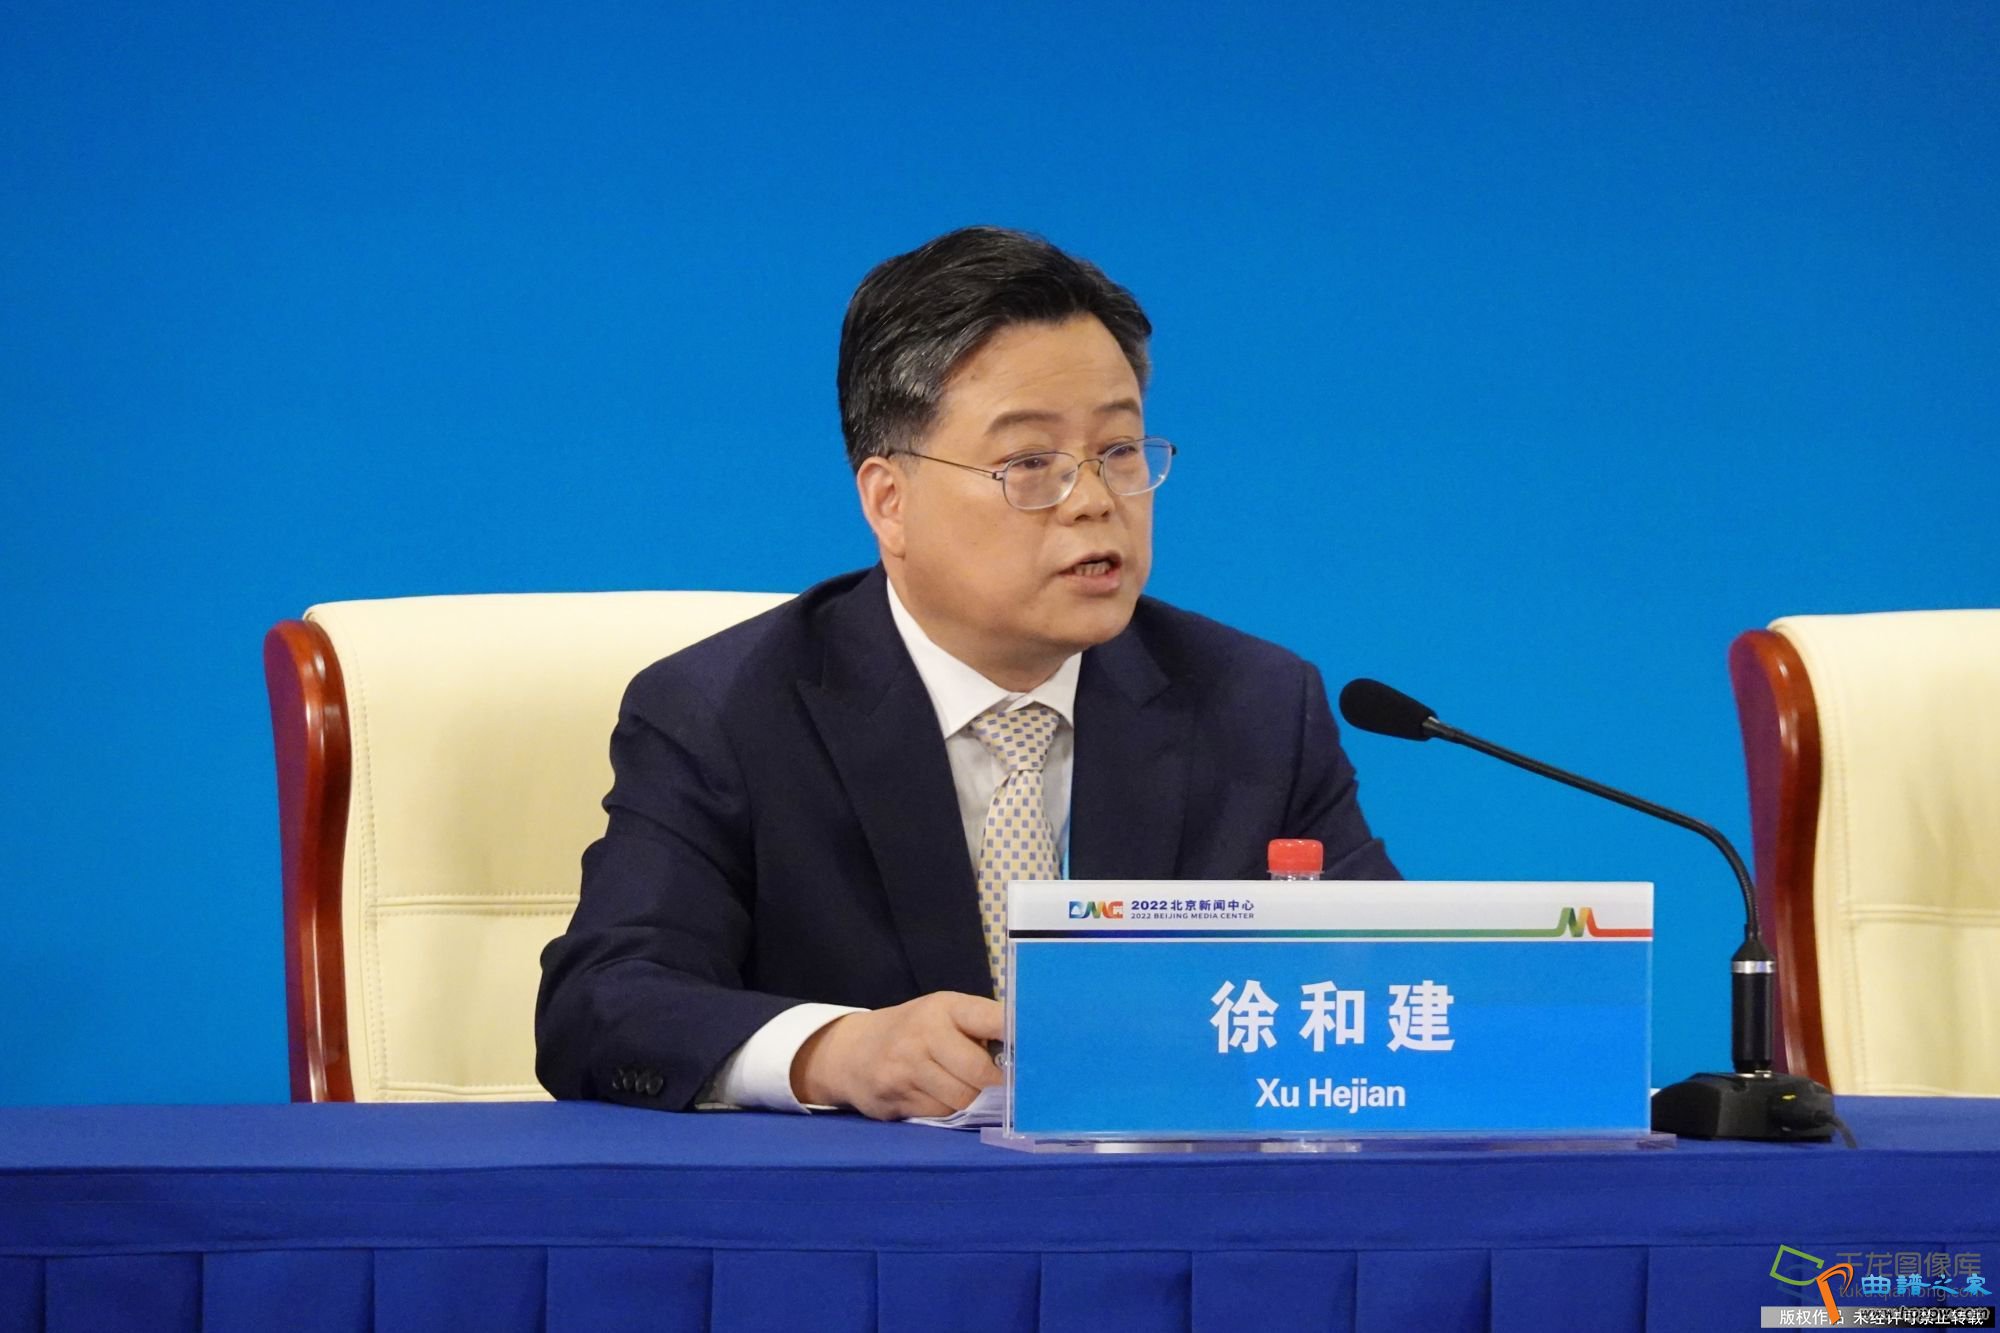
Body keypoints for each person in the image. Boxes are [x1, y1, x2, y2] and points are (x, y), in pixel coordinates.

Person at [534, 226, 1397, 1120]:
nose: (1096, 500)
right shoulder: (724, 713)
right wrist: (833, 1051)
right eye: (1030, 464)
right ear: (890, 502)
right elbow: (601, 1004)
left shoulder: (1256, 705)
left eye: (1119, 451)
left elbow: (1396, 988)